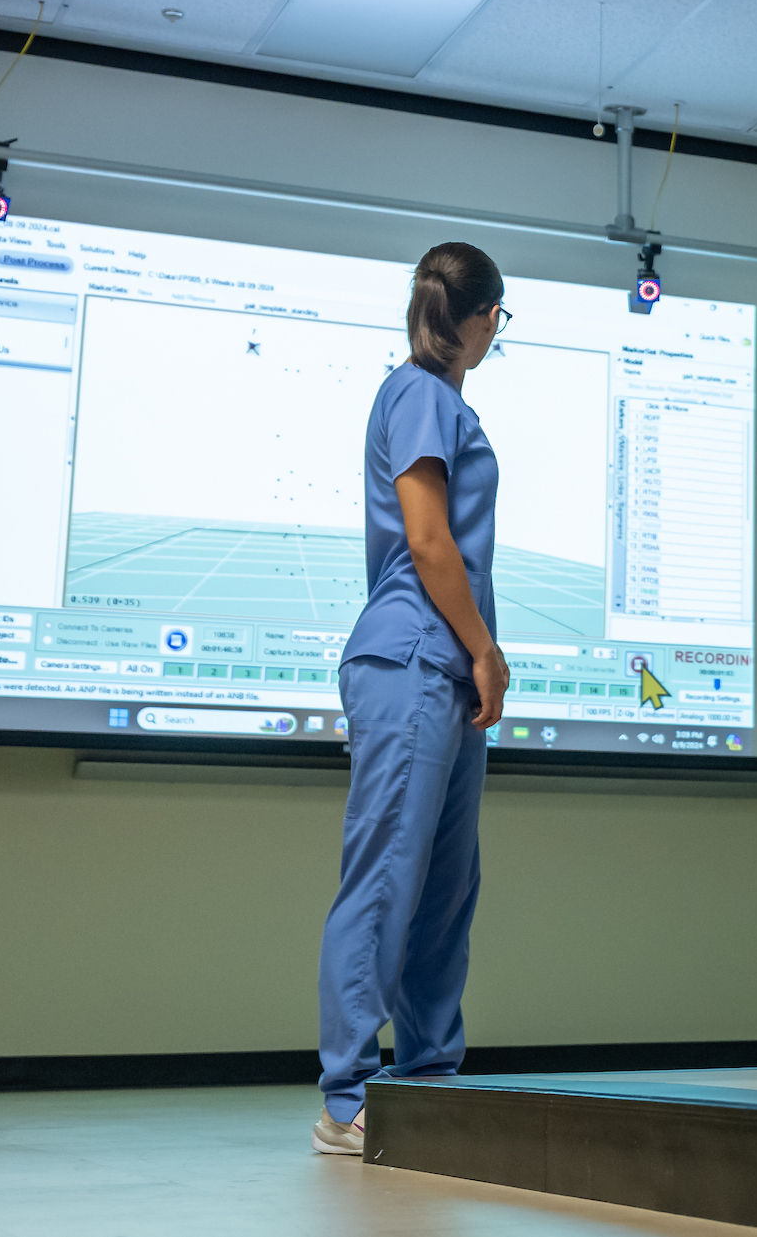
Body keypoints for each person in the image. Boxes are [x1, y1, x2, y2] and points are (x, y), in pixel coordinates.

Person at [312, 243, 512, 1153]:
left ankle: (428, 1080)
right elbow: (429, 542)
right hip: (415, 660)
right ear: (483, 319)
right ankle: (349, 1093)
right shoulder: (422, 392)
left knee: (443, 887)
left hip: (448, 671)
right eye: (498, 320)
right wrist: (486, 650)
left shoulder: (439, 398)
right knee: (388, 876)